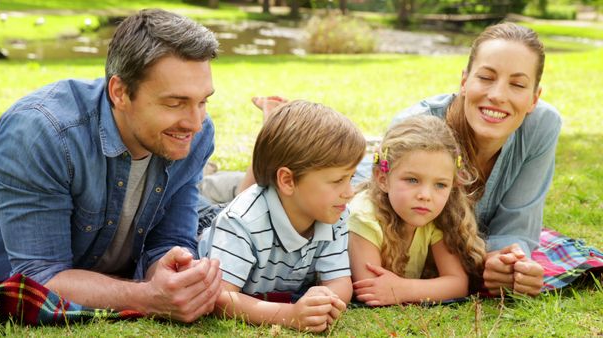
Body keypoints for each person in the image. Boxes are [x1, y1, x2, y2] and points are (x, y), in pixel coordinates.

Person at [238, 22, 561, 297]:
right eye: (486, 77)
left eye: (517, 84)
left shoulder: (542, 126)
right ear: (464, 81)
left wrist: (510, 261)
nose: (498, 95)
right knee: (268, 201)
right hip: (354, 181)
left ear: (534, 97)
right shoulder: (418, 125)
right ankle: (274, 130)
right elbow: (356, 200)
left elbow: (518, 223)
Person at [0, 9, 223, 322]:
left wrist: (177, 274)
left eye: (203, 101)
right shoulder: (41, 132)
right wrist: (149, 297)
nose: (195, 123)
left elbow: (169, 242)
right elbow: (40, 277)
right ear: (120, 92)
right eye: (174, 103)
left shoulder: (196, 134)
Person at [198, 100, 366, 332]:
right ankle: (205, 174)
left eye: (351, 178)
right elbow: (220, 297)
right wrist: (289, 314)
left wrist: (327, 302)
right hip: (204, 226)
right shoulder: (241, 223)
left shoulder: (334, 214)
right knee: (199, 195)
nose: (349, 192)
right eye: (338, 181)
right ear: (288, 180)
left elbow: (339, 281)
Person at [348, 115, 485, 306]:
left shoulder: (436, 216)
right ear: (382, 179)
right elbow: (371, 290)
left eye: (440, 184)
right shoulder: (363, 216)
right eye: (412, 180)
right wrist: (425, 289)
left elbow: (458, 284)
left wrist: (403, 289)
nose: (426, 195)